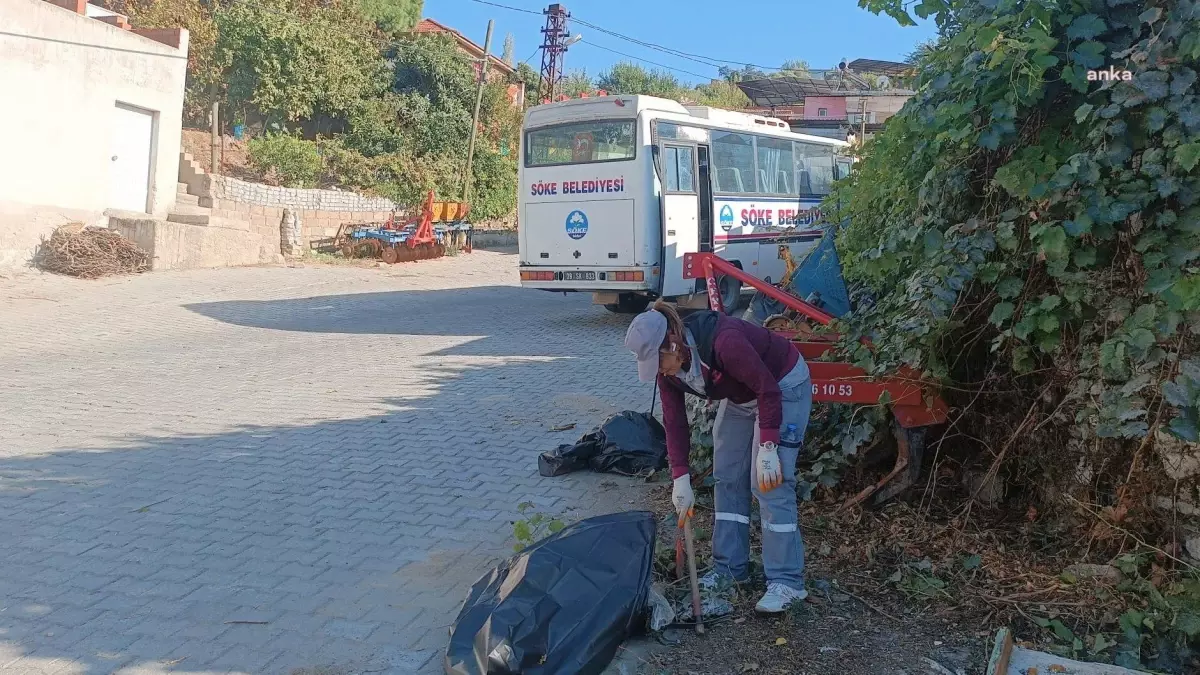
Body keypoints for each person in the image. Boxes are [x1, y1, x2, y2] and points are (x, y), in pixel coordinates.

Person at [624, 300, 812, 613]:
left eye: (659, 361)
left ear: (672, 342)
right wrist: (680, 477)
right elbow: (674, 420)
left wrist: (768, 447)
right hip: (741, 395)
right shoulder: (669, 368)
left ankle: (787, 582)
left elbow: (767, 389)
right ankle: (729, 569)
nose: (659, 370)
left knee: (768, 482)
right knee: (727, 475)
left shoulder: (724, 342)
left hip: (781, 385)